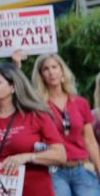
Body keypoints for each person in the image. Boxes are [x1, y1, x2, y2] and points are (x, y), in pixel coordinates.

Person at [0, 61, 66, 195]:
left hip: (34, 190)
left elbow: (60, 155)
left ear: (13, 86)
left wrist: (27, 157)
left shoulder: (36, 115)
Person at [31, 53, 100, 195]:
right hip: (54, 171)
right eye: (46, 69)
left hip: (82, 168)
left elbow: (90, 141)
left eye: (54, 67)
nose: (51, 72)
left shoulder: (80, 103)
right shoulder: (38, 107)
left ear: (62, 70)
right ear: (41, 75)